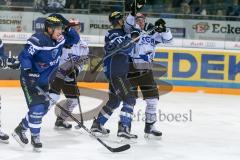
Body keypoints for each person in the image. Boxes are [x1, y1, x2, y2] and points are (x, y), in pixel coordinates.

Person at [12, 15, 79, 152]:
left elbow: (75, 39)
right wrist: (28, 70)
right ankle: (35, 137)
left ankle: (21, 128)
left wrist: (67, 26)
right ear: (49, 29)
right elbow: (24, 56)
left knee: (43, 107)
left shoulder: (59, 39)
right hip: (30, 80)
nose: (60, 32)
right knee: (37, 109)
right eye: (57, 29)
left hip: (43, 81)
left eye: (61, 29)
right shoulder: (38, 40)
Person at [122, 12, 173, 138]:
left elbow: (169, 41)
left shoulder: (152, 34)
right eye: (137, 19)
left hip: (146, 71)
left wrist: (164, 30)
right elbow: (128, 27)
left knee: (153, 101)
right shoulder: (128, 32)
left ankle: (150, 127)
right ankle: (125, 127)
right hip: (131, 70)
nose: (140, 21)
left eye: (142, 19)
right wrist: (136, 29)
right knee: (129, 101)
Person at [90, 11, 138, 139]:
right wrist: (132, 38)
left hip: (117, 71)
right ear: (119, 21)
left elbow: (128, 43)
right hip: (116, 73)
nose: (124, 21)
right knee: (129, 99)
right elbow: (124, 47)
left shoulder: (122, 33)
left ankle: (97, 124)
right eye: (122, 19)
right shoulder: (113, 33)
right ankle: (124, 127)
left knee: (114, 100)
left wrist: (135, 34)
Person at [49, 18, 89, 129]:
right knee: (51, 99)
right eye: (72, 27)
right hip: (57, 74)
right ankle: (35, 118)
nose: (75, 29)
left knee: (74, 100)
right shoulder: (61, 40)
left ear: (80, 28)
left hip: (70, 76)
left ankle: (60, 120)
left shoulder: (84, 45)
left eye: (77, 27)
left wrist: (76, 70)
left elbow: (83, 61)